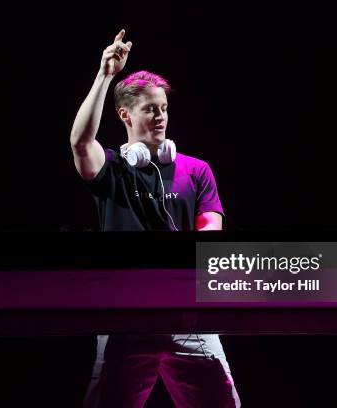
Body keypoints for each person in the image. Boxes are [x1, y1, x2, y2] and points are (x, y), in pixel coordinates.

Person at [70, 29, 241, 407]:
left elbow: (211, 234)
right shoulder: (112, 169)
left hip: (190, 321)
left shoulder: (196, 170)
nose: (161, 116)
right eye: (150, 108)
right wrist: (105, 75)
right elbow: (81, 143)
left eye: (163, 107)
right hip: (124, 322)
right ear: (124, 114)